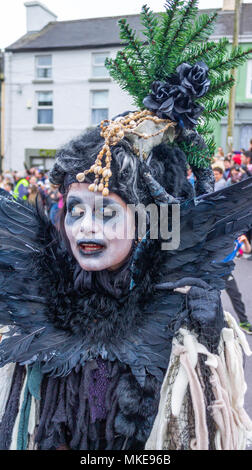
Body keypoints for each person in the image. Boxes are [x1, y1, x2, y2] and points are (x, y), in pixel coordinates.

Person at [0, 1, 252, 452]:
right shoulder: (45, 287)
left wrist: (205, 327)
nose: (84, 229)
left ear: (149, 221)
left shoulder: (179, 312)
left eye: (108, 212)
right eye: (75, 211)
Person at [225, 235, 252, 334]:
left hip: (226, 271)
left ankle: (244, 323)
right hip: (211, 271)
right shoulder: (223, 234)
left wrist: (245, 240)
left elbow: (247, 250)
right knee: (210, 298)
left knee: (235, 295)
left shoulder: (238, 238)